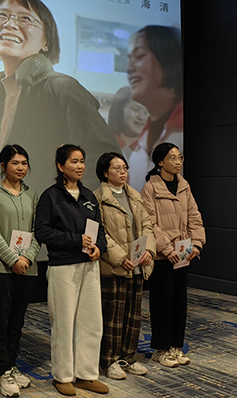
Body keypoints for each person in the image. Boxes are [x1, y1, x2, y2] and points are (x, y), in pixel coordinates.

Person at [0, 0, 120, 197]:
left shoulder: (63, 89)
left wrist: (65, 207)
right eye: (1, 16)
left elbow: (105, 162)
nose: (10, 24)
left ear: (46, 40)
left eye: (25, 18)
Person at [34, 145, 109, 396]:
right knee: (64, 323)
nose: (80, 166)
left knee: (91, 322)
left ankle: (87, 374)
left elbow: (100, 230)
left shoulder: (88, 195)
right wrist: (76, 240)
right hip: (63, 266)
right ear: (60, 166)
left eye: (82, 161)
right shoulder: (51, 196)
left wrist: (99, 248)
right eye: (74, 161)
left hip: (89, 265)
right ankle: (63, 376)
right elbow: (42, 232)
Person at [0, 144, 40, 396]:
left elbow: (38, 230)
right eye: (15, 163)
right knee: (0, 320)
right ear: (3, 165)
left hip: (27, 267)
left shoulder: (32, 194)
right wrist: (12, 258)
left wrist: (27, 257)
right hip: (0, 268)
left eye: (24, 163)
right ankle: (2, 371)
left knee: (17, 320)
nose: (20, 168)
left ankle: (12, 364)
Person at [141, 143, 205, 368]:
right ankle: (161, 349)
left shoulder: (184, 186)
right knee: (162, 303)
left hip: (183, 253)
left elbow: (194, 217)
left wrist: (197, 243)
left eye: (180, 157)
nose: (178, 162)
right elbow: (149, 223)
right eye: (172, 158)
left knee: (179, 303)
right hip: (163, 256)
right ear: (160, 162)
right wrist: (167, 249)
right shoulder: (150, 188)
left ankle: (176, 346)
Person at [93, 152, 155, 380]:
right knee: (113, 318)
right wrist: (119, 257)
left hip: (137, 265)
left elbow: (147, 225)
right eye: (117, 168)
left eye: (125, 168)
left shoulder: (135, 196)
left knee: (133, 316)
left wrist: (149, 251)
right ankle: (109, 361)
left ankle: (128, 357)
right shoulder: (98, 198)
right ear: (105, 172)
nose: (122, 172)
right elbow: (100, 233)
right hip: (114, 267)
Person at [127, 26, 182, 153]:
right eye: (129, 60)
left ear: (167, 58)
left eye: (139, 56)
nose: (129, 69)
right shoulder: (140, 143)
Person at [107, 86, 151, 191]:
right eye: (135, 109)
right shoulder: (104, 145)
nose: (141, 117)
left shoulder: (145, 154)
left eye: (146, 112)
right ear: (119, 110)